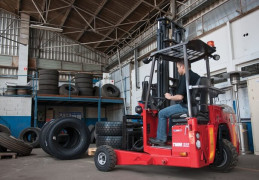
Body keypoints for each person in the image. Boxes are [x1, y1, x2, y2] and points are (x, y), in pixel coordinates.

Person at [149, 60, 200, 145]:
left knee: (162, 113)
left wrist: (169, 97)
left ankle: (161, 139)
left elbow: (180, 97)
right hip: (195, 106)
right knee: (171, 112)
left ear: (182, 66)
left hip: (186, 107)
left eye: (177, 68)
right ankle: (170, 136)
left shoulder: (185, 76)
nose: (177, 70)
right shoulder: (196, 76)